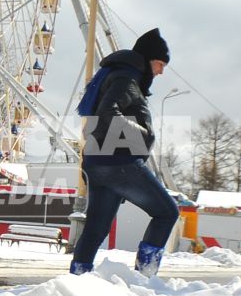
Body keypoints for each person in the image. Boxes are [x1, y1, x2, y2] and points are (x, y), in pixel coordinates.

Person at [69, 28, 180, 277]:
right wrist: (142, 136)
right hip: (118, 162)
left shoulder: (117, 75)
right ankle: (145, 278)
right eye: (160, 64)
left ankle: (77, 281)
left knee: (96, 228)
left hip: (98, 162)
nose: (161, 71)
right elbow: (109, 111)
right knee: (167, 212)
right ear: (149, 58)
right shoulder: (127, 79)